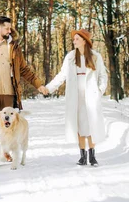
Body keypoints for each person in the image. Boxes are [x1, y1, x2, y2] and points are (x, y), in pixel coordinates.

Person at [0, 16, 48, 168]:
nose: (10, 30)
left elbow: (24, 69)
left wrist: (38, 85)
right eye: (7, 28)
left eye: (10, 28)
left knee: (9, 123)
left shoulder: (13, 47)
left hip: (9, 92)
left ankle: (6, 149)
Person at [45, 29, 108, 166]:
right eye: (74, 39)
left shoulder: (95, 56)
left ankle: (92, 155)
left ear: (85, 40)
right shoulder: (71, 57)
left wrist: (100, 90)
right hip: (75, 94)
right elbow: (62, 75)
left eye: (77, 39)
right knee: (79, 124)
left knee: (91, 123)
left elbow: (103, 76)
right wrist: (49, 88)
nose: (74, 41)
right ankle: (82, 156)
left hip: (91, 93)